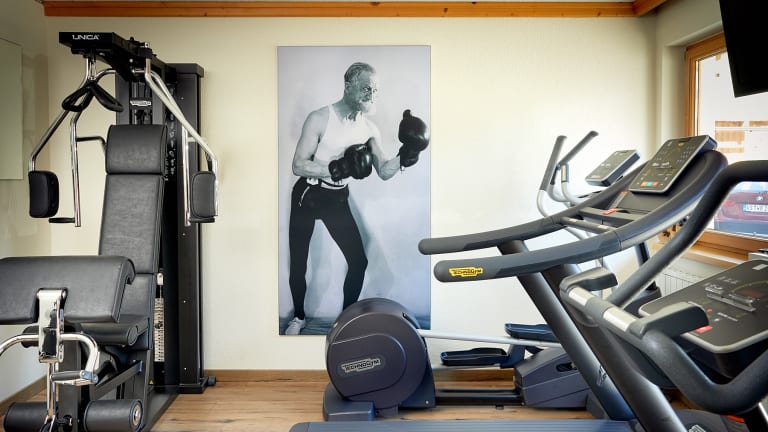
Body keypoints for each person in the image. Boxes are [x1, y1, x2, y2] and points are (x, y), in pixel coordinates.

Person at [285, 62, 429, 335]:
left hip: (337, 198)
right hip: (308, 194)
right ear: (348, 86)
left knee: (358, 261)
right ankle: (299, 317)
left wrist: (407, 154)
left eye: (375, 90)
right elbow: (298, 164)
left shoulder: (369, 130)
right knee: (300, 262)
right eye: (366, 88)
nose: (371, 95)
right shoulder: (319, 118)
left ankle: (345, 320)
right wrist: (335, 168)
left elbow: (384, 171)